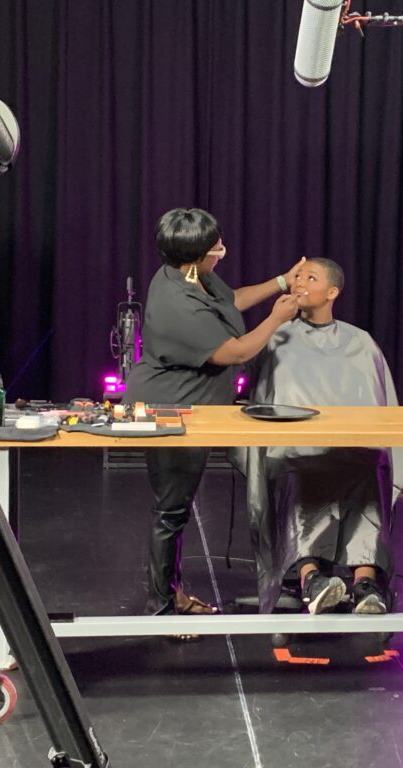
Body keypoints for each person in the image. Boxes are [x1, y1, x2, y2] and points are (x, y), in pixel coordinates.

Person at [123, 208, 301, 617]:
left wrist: (280, 283)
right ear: (195, 256)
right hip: (169, 408)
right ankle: (163, 607)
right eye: (215, 248)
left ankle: (172, 593)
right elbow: (234, 351)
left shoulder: (187, 275)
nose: (222, 252)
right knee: (171, 510)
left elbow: (231, 301)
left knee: (177, 508)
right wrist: (277, 317)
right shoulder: (176, 303)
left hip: (194, 406)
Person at [238, 258, 403, 615]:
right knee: (299, 472)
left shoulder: (360, 342)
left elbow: (381, 408)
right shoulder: (276, 336)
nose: (298, 283)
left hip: (350, 448)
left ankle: (365, 583)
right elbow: (260, 395)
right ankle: (312, 579)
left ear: (332, 292)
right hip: (295, 451)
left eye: (309, 277)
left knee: (370, 466)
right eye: (296, 276)